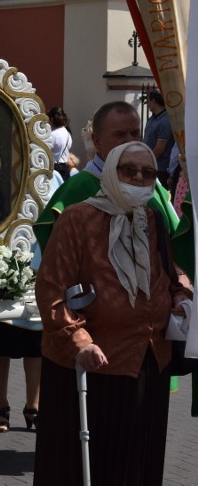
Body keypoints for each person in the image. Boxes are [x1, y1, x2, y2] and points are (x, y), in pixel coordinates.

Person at [33, 141, 190, 485]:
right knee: (94, 466)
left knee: (139, 463)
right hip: (96, 364)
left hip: (149, 361)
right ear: (109, 171)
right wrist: (79, 340)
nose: (138, 177)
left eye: (148, 172)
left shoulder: (152, 218)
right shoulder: (78, 217)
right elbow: (51, 288)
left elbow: (169, 271)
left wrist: (182, 296)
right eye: (128, 169)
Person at [34, 101, 179, 252]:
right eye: (120, 135)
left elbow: (176, 248)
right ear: (97, 141)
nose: (130, 141)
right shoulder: (76, 190)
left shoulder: (151, 185)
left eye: (135, 133)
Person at [143, 91, 174, 187]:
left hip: (160, 169)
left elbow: (159, 149)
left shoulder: (165, 121)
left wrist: (143, 161)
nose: (147, 104)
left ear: (153, 101)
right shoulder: (152, 119)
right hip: (151, 166)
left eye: (148, 101)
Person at [47, 108, 72, 180]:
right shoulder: (68, 134)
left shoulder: (53, 134)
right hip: (65, 168)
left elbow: (45, 150)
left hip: (55, 169)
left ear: (51, 119)